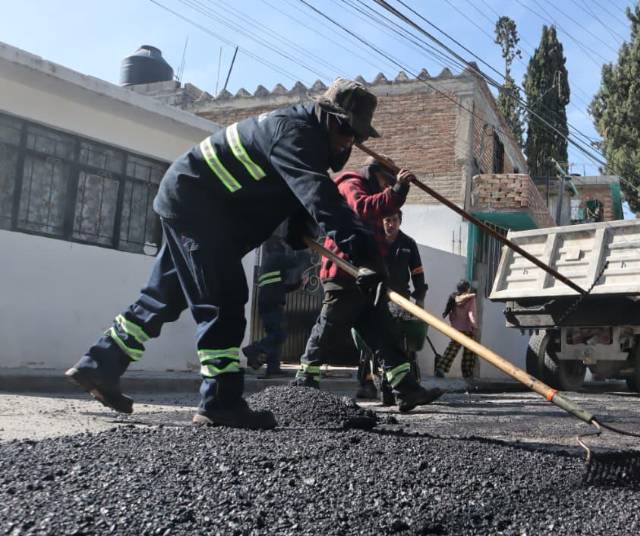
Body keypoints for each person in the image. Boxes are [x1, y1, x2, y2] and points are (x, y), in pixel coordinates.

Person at [65, 78, 439, 429]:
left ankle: (100, 363)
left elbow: (292, 192)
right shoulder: (296, 133)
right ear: (328, 118)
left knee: (164, 296)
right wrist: (365, 257)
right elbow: (323, 200)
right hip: (199, 207)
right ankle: (220, 402)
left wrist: (298, 226)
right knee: (225, 299)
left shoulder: (301, 137)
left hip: (191, 201)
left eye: (357, 136)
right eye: (347, 132)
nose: (349, 143)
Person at [293, 158, 443, 412]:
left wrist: (380, 273)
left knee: (384, 334)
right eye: (386, 182)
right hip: (344, 273)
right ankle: (305, 380)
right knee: (329, 327)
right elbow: (362, 208)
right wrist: (397, 191)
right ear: (374, 174)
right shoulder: (351, 184)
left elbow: (377, 230)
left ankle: (406, 389)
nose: (386, 188)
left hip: (368, 278)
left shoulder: (374, 195)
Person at [361, 209, 429, 402]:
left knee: (399, 342)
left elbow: (417, 273)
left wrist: (419, 301)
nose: (391, 224)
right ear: (382, 222)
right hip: (376, 296)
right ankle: (368, 383)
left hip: (400, 300)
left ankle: (401, 383)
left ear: (400, 221)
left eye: (394, 220)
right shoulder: (374, 241)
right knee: (371, 342)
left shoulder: (408, 244)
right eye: (387, 220)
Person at [241, 235, 300, 378]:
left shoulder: (269, 261)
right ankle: (253, 349)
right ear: (276, 245)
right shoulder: (276, 257)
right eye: (282, 243)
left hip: (267, 303)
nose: (284, 246)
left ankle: (273, 368)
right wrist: (302, 248)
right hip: (272, 304)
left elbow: (278, 287)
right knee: (279, 335)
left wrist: (297, 285)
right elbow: (295, 261)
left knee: (275, 336)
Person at [434, 280, 478, 380]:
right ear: (468, 289)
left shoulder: (453, 297)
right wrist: (474, 325)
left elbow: (451, 314)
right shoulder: (471, 299)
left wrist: (454, 323)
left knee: (452, 349)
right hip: (468, 329)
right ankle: (467, 374)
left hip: (456, 329)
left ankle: (441, 368)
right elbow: (471, 313)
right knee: (469, 352)